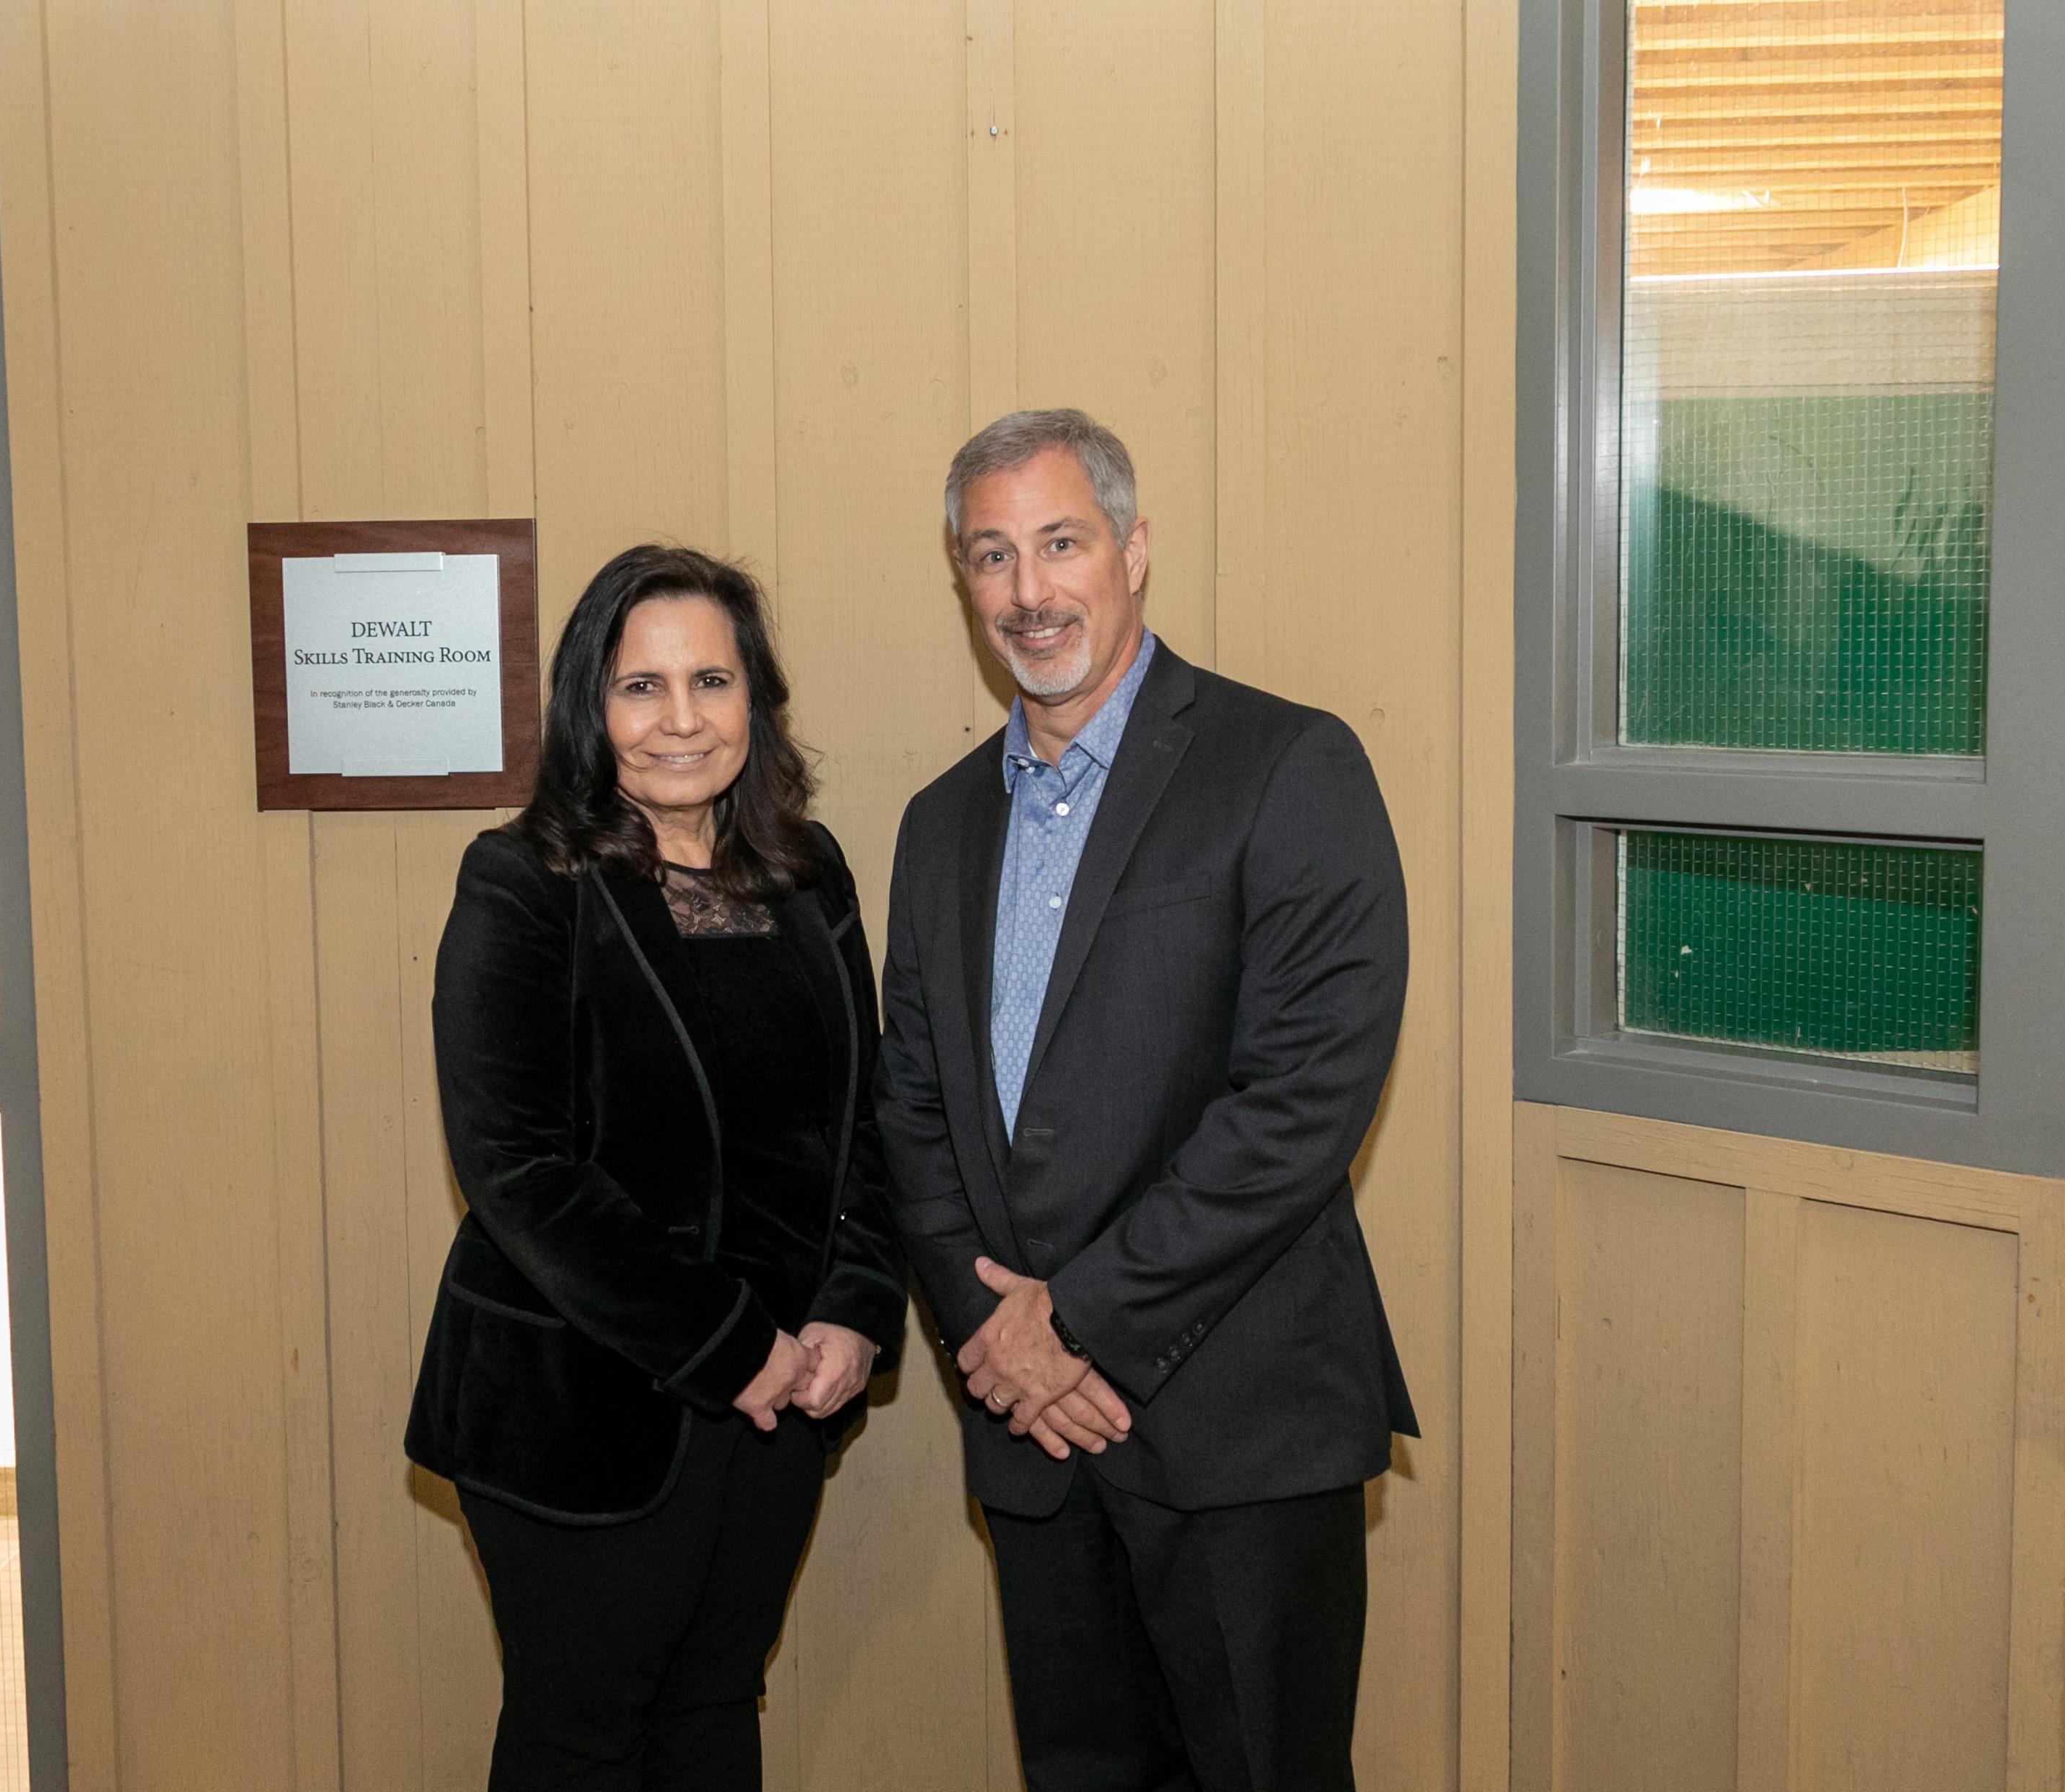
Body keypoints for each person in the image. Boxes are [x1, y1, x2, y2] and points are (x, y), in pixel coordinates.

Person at [875, 410, 1414, 1791]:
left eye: (1061, 542)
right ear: (963, 581)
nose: (1029, 590)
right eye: (991, 556)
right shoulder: (941, 825)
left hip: (1237, 1425)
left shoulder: (1287, 765)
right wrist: (999, 1340)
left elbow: (1299, 1105)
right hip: (1037, 1443)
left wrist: (1077, 1324)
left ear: (1135, 550)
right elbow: (915, 1112)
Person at [406, 544, 908, 1791]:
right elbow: (518, 1170)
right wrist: (732, 1344)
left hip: (782, 1410)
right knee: (586, 1736)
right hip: (582, 1411)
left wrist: (853, 1309)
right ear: (591, 705)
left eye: (712, 682)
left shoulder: (810, 872)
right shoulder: (524, 882)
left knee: (713, 1717)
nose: (681, 719)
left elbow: (866, 1120)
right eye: (642, 687)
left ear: (756, 702)